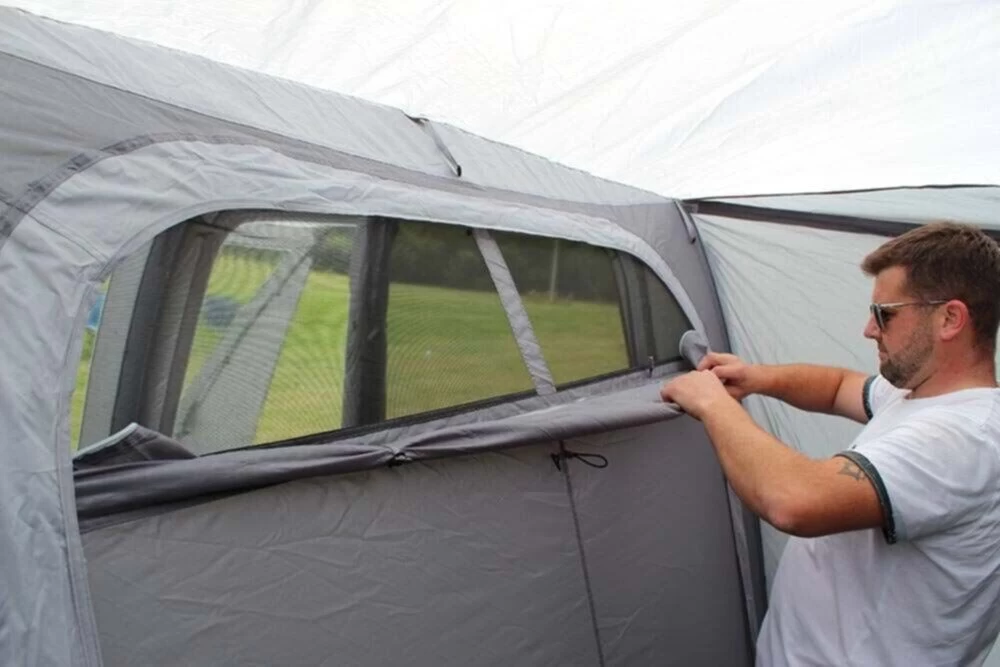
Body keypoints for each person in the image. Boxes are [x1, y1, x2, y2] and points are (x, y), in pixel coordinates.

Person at [661, 222, 1000, 666]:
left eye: (885, 314)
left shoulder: (963, 439)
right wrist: (755, 378)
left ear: (950, 319)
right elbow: (837, 386)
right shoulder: (918, 394)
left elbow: (794, 501)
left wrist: (711, 403)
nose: (869, 329)